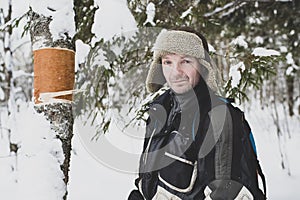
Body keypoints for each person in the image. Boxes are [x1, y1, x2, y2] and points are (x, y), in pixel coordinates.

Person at [128, 28, 266, 200]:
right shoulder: (160, 110)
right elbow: (147, 182)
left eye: (185, 61)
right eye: (167, 62)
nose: (175, 72)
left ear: (202, 66)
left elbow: (228, 193)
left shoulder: (219, 119)